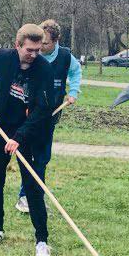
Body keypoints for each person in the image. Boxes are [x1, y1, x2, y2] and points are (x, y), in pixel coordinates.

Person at [0, 24, 54, 256]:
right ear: (18, 45)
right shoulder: (3, 59)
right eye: (29, 49)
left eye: (38, 50)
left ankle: (42, 241)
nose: (34, 54)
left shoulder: (43, 70)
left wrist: (19, 138)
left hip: (27, 132)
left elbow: (42, 109)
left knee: (33, 186)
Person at [16, 19, 81, 214]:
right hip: (30, 114)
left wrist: (73, 92)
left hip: (51, 114)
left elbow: (76, 73)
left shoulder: (65, 57)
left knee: (42, 158)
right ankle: (26, 197)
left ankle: (33, 197)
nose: (39, 48)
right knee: (29, 155)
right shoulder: (32, 57)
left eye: (44, 44)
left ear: (55, 41)